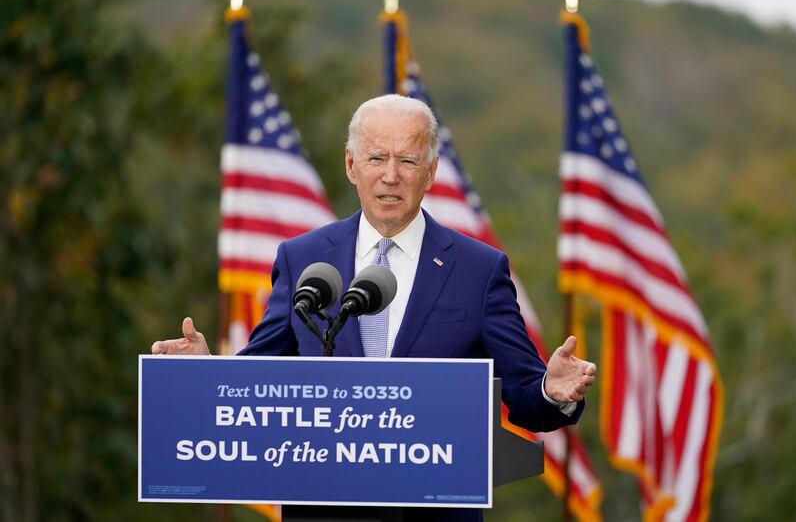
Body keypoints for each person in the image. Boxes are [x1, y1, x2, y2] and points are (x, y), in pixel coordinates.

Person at [152, 94, 596, 520]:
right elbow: (261, 385)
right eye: (376, 157)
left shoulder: (479, 270)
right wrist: (206, 376)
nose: (390, 175)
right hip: (324, 512)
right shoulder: (303, 259)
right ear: (351, 165)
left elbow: (523, 394)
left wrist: (551, 392)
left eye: (407, 160)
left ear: (431, 172)